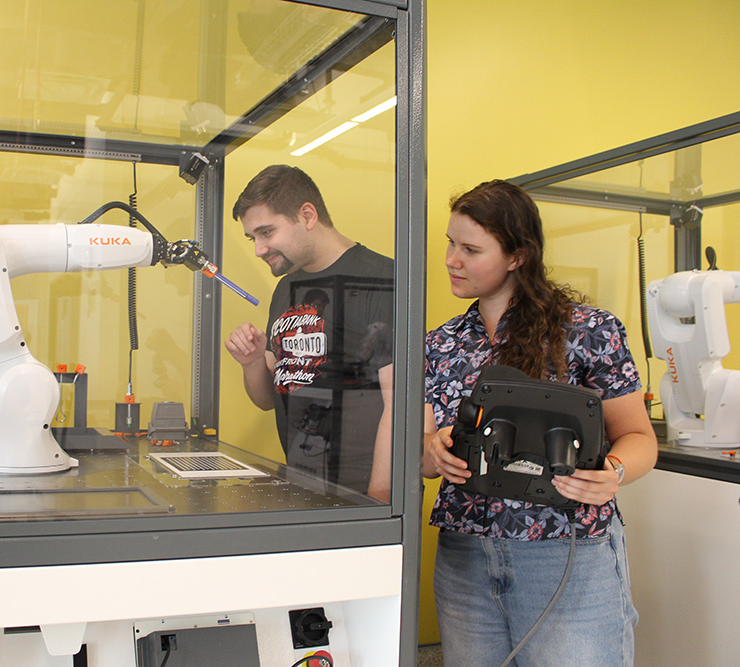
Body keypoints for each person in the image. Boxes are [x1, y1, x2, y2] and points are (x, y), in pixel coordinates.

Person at [424, 179, 657, 666]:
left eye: (471, 248)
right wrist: (434, 450)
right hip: (466, 556)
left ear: (517, 256)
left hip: (564, 554)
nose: (452, 259)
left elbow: (639, 438)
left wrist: (611, 473)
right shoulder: (440, 344)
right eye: (450, 243)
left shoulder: (590, 332)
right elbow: (422, 456)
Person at [225, 165, 394, 499]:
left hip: (364, 494)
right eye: (252, 238)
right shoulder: (287, 286)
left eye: (266, 232)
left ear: (307, 215)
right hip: (304, 484)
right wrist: (252, 362)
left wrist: (379, 506)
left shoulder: (382, 279)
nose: (258, 249)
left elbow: (400, 407)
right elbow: (267, 400)